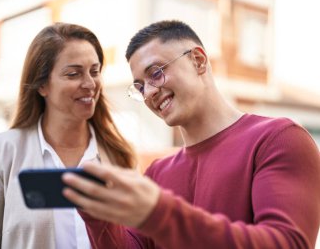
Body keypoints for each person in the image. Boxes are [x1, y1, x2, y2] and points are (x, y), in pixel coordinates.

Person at [61, 20, 320, 249]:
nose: (149, 93)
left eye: (156, 73)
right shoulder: (157, 173)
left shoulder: (279, 139)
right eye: (139, 87)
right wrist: (97, 217)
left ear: (198, 60)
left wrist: (158, 212)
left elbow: (287, 243)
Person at [0, 22, 136, 249]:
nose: (90, 83)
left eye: (95, 71)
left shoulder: (120, 157)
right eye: (74, 74)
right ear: (42, 85)